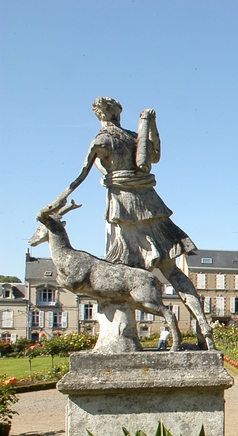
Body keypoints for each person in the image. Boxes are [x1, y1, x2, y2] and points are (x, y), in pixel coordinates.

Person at [47, 97, 215, 349]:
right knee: (173, 271)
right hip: (151, 204)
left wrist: (57, 201)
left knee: (121, 271)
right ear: (118, 114)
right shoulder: (132, 136)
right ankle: (204, 326)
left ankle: (118, 339)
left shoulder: (102, 140)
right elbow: (151, 158)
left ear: (99, 116)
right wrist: (149, 125)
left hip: (124, 208)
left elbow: (81, 174)